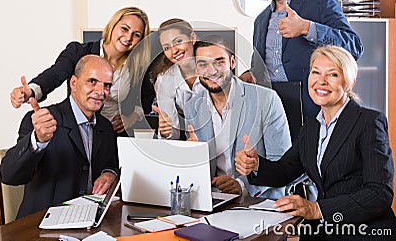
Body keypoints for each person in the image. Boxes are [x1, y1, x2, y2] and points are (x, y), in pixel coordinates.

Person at [235, 46, 395, 240]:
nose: (321, 81)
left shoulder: (369, 122)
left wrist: (317, 209)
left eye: (333, 74)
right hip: (324, 231)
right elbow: (286, 170)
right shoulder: (312, 126)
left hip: (364, 231)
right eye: (315, 72)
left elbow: (379, 193)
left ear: (349, 82)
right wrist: (256, 164)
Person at [240, 0, 363, 119]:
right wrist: (252, 74)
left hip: (315, 110)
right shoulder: (261, 21)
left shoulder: (320, 0)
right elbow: (262, 67)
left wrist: (307, 28)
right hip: (273, 111)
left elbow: (354, 46)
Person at [0, 55, 119, 219]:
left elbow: (112, 163)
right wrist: (38, 140)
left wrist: (109, 173)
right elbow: (8, 175)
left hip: (90, 221)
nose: (100, 92)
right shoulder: (40, 120)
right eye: (92, 81)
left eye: (107, 85)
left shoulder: (105, 126)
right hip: (40, 226)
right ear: (73, 84)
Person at [10, 6, 151, 136]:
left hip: (112, 135)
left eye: (136, 34)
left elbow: (147, 98)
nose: (128, 38)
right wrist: (30, 91)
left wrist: (132, 116)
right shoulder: (78, 52)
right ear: (113, 26)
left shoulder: (137, 65)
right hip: (78, 130)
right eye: (124, 29)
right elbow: (56, 74)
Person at [184, 35, 292, 198]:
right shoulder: (192, 107)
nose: (211, 71)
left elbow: (281, 163)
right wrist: (190, 155)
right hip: (212, 198)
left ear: (232, 63)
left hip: (258, 199)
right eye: (203, 64)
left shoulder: (266, 99)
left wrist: (242, 185)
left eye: (219, 62)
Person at [150, 18, 204, 139]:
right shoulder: (164, 80)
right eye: (167, 47)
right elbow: (173, 133)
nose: (174, 50)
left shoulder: (213, 70)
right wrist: (166, 131)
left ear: (193, 38)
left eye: (178, 41)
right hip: (188, 140)